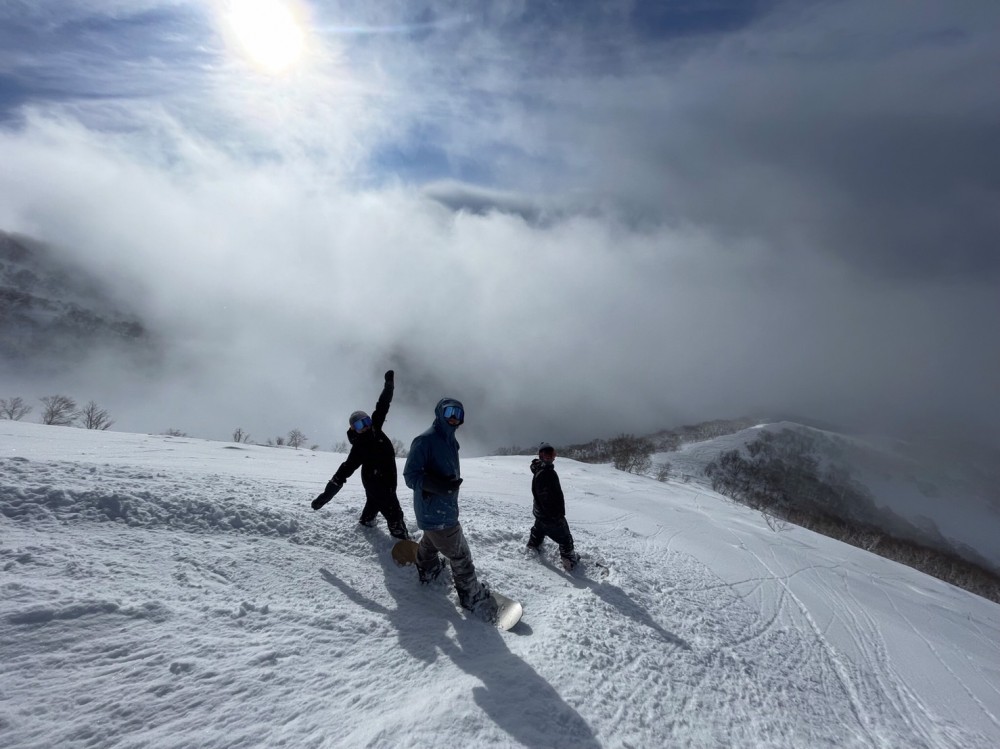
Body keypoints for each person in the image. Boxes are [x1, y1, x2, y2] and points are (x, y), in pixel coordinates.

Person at [403, 397, 497, 620]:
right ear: (439, 413)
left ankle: (427, 568)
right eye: (449, 412)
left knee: (431, 539)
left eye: (459, 413)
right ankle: (470, 595)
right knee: (460, 555)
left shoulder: (450, 441)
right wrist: (439, 486)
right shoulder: (425, 440)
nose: (454, 417)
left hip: (438, 510)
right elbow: (410, 476)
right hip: (436, 512)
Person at [311, 370, 410, 540]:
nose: (365, 426)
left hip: (385, 478)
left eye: (366, 421)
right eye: (359, 425)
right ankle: (401, 539)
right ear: (353, 429)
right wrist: (325, 497)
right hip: (376, 481)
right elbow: (343, 472)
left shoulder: (375, 428)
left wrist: (389, 386)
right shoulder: (359, 448)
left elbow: (383, 404)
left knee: (373, 503)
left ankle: (367, 521)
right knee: (394, 513)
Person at [526, 442, 580, 570]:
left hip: (540, 513)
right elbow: (546, 497)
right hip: (550, 515)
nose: (551, 457)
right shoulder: (546, 473)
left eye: (553, 454)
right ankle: (569, 560)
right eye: (547, 454)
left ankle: (533, 545)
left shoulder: (540, 468)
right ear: (541, 455)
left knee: (539, 529)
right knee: (565, 538)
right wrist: (556, 515)